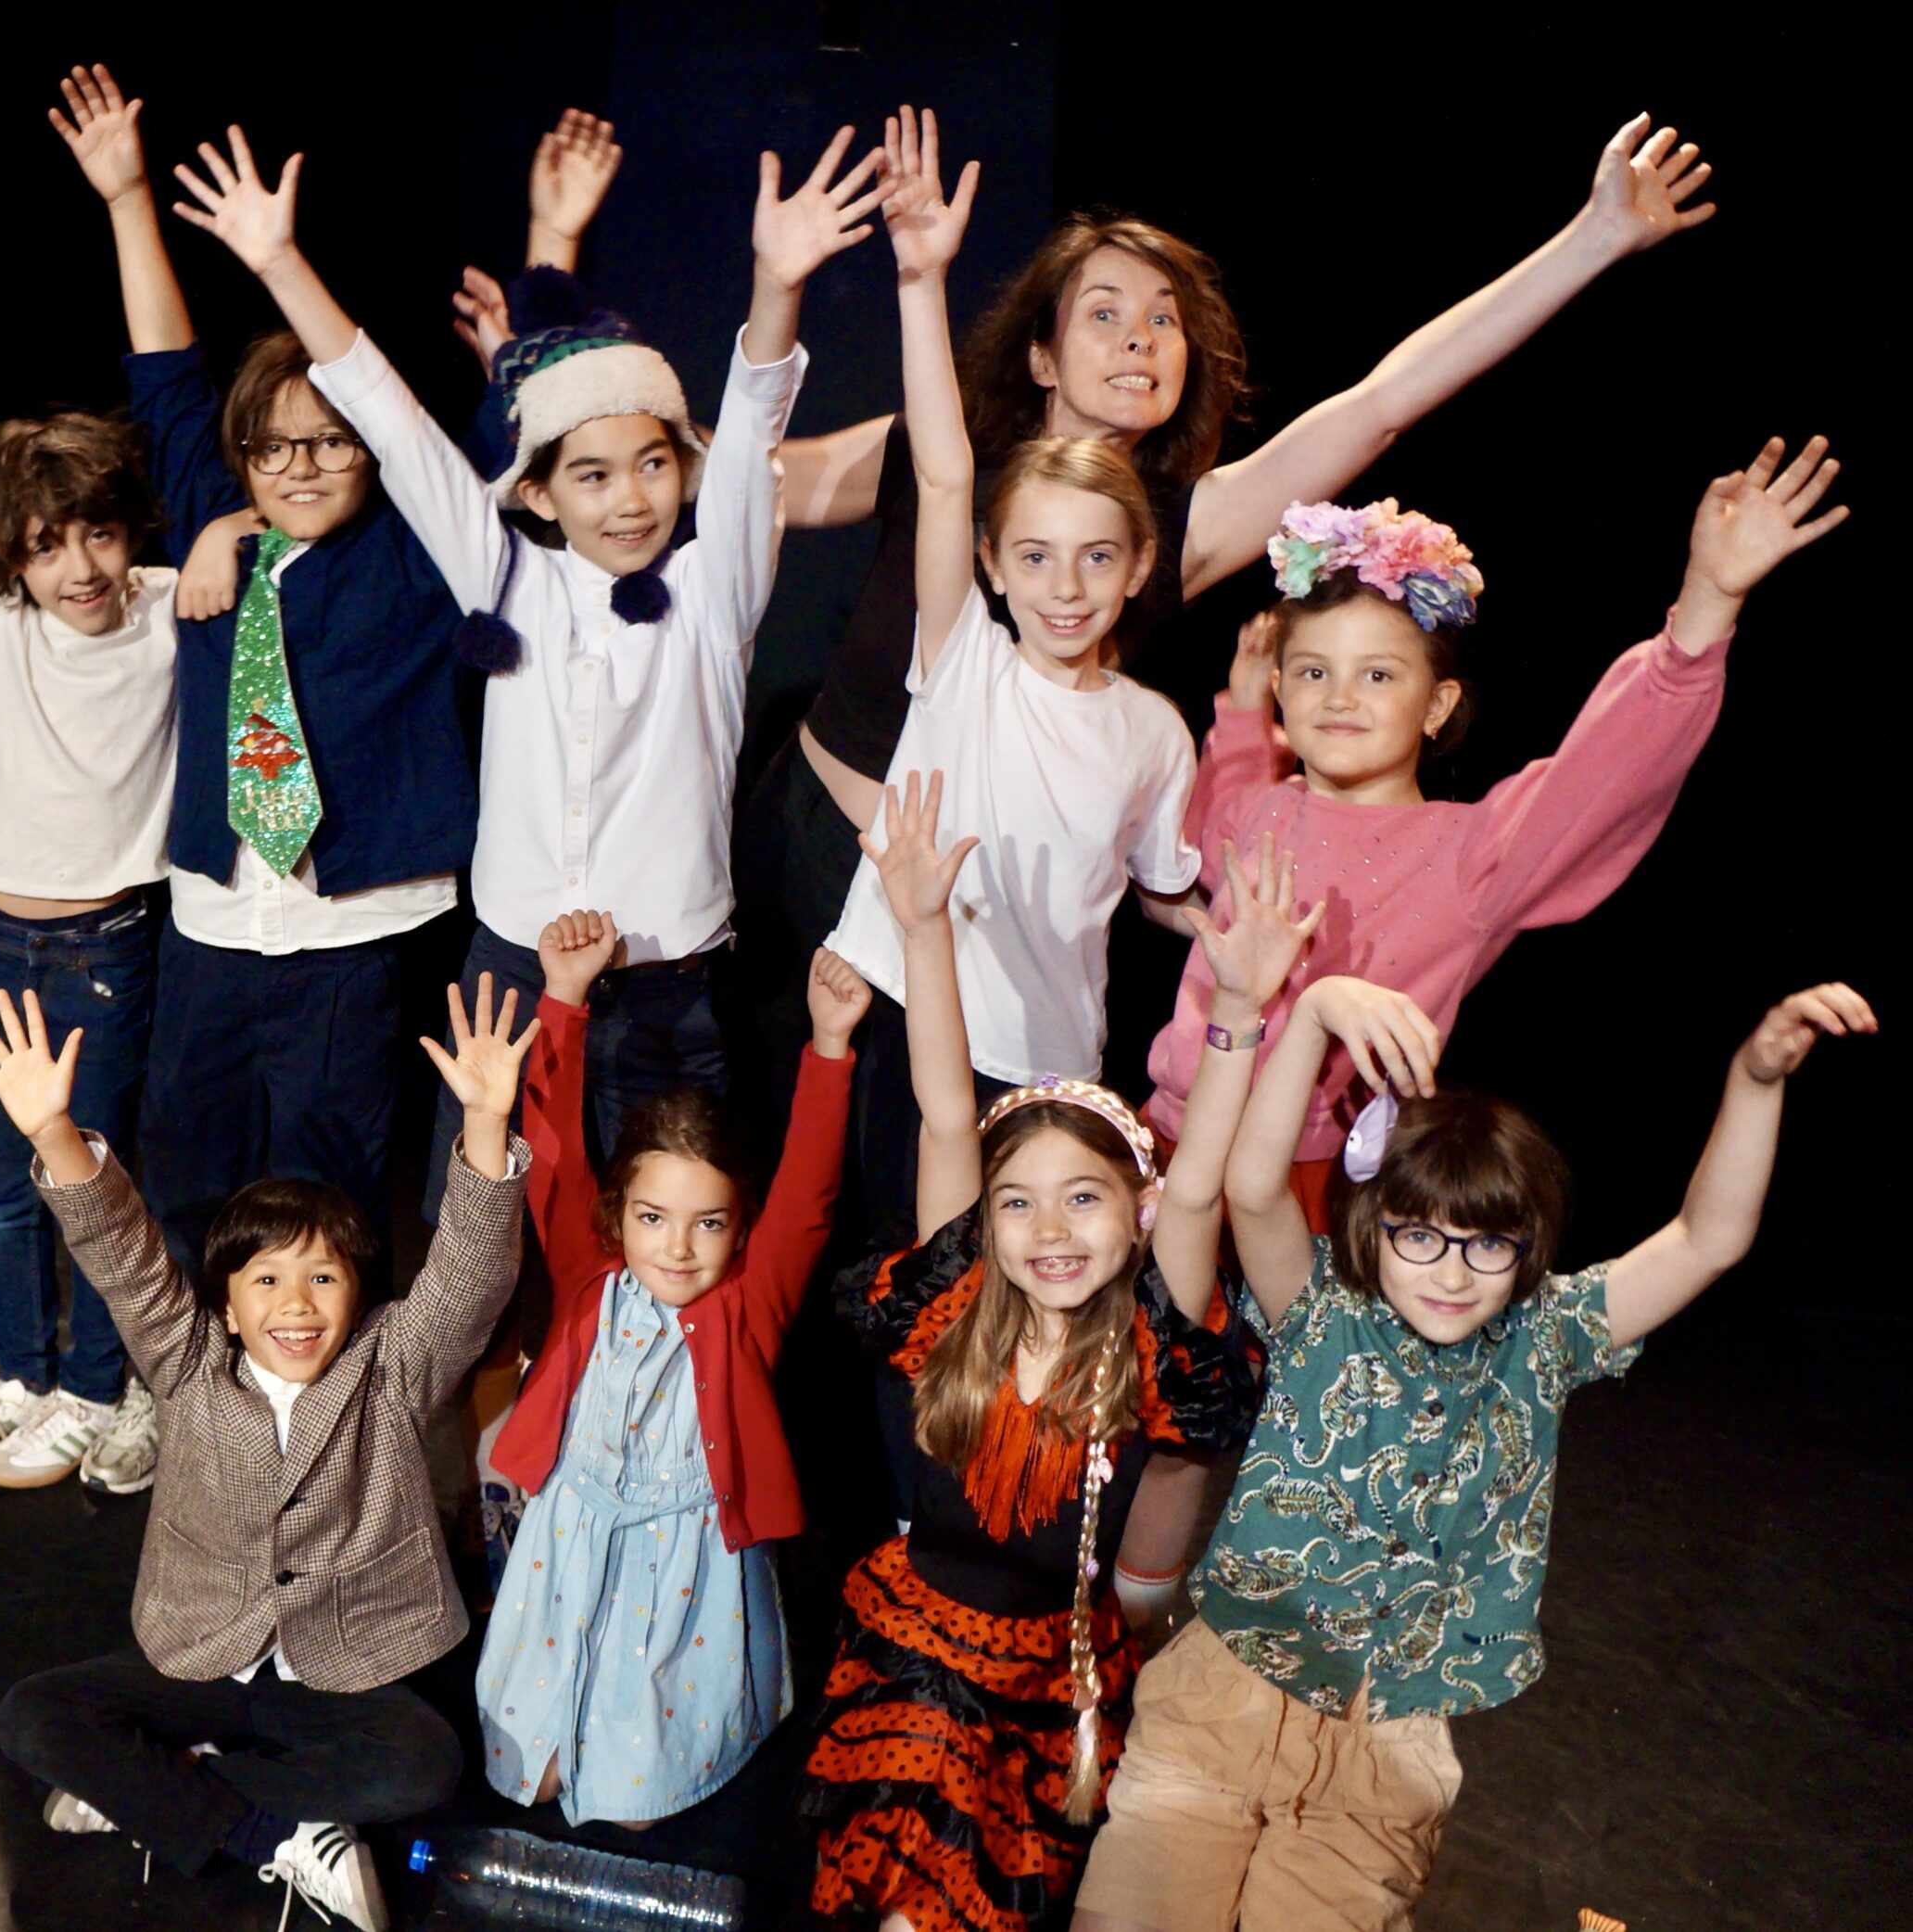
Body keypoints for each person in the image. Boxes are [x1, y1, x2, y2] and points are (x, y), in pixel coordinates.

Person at [743, 111, 1722, 1053]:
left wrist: (1593, 238)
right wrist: (773, 294)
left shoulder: (1184, 527)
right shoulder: (940, 457)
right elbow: (743, 478)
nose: (1139, 338)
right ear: (1040, 355)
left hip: (994, 913)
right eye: (1104, 313)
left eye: (1163, 320)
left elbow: (1381, 404)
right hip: (818, 842)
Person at [160, 115, 883, 1200]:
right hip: (509, 981)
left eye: (652, 464)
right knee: (481, 1248)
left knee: (663, 1250)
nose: (630, 496)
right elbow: (390, 421)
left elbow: (751, 433)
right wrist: (276, 261)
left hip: (665, 994)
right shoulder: (505, 576)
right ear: (537, 492)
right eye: (592, 473)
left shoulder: (711, 591)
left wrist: (776, 286)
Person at [1071, 973, 1877, 1932]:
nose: (1452, 1271)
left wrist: (1754, 1078)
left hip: (1385, 1746)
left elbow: (1707, 1238)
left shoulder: (1546, 1337)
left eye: (1487, 1244)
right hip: (1227, 1693)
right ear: (1373, 1228)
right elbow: (1252, 1183)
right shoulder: (1321, 1309)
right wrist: (1317, 1011)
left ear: (1526, 1246)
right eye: (1419, 1236)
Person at [801, 776, 1301, 1932]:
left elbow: (1201, 1186)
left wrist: (1236, 1010)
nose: (1050, 1228)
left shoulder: (1141, 1344)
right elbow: (943, 1109)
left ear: (1133, 1211)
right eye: (1017, 1201)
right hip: (914, 1659)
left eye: (1083, 1196)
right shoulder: (954, 1308)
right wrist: (923, 927)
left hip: (1039, 1684)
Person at [1147, 433, 1848, 1220]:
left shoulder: (1470, 854)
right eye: (1314, 672)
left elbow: (1605, 773)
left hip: (1308, 1186)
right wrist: (1243, 714)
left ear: (1436, 705)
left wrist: (1707, 602)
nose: (1340, 697)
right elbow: (1210, 829)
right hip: (1168, 1144)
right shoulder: (1264, 808)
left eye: (1377, 674)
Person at [46, 62, 485, 1298]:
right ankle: (202, 1396)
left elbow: (427, 443)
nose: (298, 465)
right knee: (191, 1186)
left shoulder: (415, 552)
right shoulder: (214, 520)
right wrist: (126, 197)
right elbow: (166, 374)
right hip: (214, 924)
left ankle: (331, 1406)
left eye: (328, 440)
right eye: (272, 446)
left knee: (329, 1206)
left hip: (352, 937)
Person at [0, 975, 536, 1931]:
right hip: (204, 1661)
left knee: (423, 1764)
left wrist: (485, 1121)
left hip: (337, 1673)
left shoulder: (392, 1366)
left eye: (324, 1277)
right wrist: (54, 1133)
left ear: (359, 1296)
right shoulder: (188, 1361)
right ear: (228, 1308)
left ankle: (159, 1793)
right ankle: (279, 1829)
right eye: (266, 1279)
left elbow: (470, 1274)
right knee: (32, 1716)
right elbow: (120, 1250)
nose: (297, 1303)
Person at [825, 108, 1202, 1237]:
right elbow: (945, 473)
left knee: (1028, 1285)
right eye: (1034, 556)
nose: (1065, 586)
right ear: (991, 564)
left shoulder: (1154, 731)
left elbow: (1160, 885)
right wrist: (919, 278)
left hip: (1052, 1060)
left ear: (1141, 567)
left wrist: (1242, 935)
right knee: (904, 1277)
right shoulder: (963, 660)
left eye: (1096, 557)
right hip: (913, 1014)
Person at [0, 209, 180, 1490]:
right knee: (2, 1181)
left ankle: (98, 1389)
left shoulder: (171, 608)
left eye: (98, 532)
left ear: (131, 528)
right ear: (9, 552)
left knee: (89, 1179)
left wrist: (225, 536)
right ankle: (23, 1372)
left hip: (103, 947)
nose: (79, 565)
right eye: (48, 543)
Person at [477, 912, 866, 1824]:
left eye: (709, 1223)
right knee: (531, 1776)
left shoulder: (747, 1305)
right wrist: (562, 998)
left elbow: (808, 1196)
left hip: (682, 1563)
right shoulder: (590, 1276)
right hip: (572, 1537)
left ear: (740, 1225)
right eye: (653, 1218)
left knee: (636, 1802)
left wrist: (829, 1046)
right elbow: (552, 1158)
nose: (679, 1248)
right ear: (619, 1214)